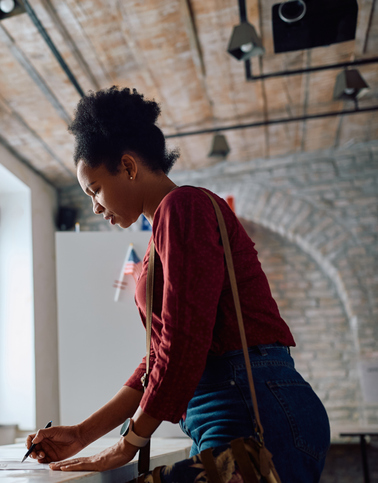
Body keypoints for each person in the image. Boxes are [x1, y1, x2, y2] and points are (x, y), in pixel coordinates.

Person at [25, 86, 330, 481]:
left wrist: (128, 444)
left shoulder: (183, 207)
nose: (95, 206)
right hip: (238, 413)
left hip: (252, 413)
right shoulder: (166, 230)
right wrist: (83, 434)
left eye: (95, 189)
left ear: (129, 166)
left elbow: (183, 341)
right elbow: (157, 358)